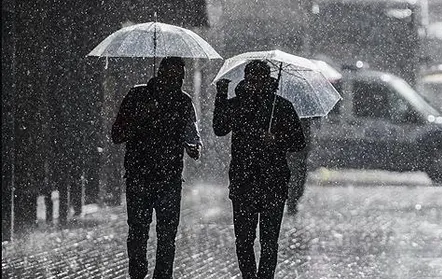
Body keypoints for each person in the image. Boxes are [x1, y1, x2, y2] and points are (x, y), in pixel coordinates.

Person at [213, 60, 306, 279]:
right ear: (246, 79)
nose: (254, 84)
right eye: (251, 79)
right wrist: (221, 95)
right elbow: (219, 128)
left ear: (268, 80)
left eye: (259, 79)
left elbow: (298, 142)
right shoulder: (238, 104)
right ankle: (248, 275)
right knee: (244, 239)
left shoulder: (281, 107)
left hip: (273, 182)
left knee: (269, 240)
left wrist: (277, 139)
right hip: (243, 180)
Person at [111, 57, 201, 279]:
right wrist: (143, 114)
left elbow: (193, 136)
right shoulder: (137, 96)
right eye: (171, 76)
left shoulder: (183, 102)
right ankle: (138, 273)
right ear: (160, 74)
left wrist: (193, 147)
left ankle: (162, 275)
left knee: (167, 236)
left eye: (179, 77)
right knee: (138, 232)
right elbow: (117, 134)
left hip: (169, 178)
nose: (175, 82)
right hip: (139, 176)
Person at [286, 118, 313, 215]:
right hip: (294, 153)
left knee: (299, 178)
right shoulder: (291, 118)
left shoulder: (306, 119)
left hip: (300, 154)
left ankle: (292, 200)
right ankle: (291, 201)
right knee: (296, 177)